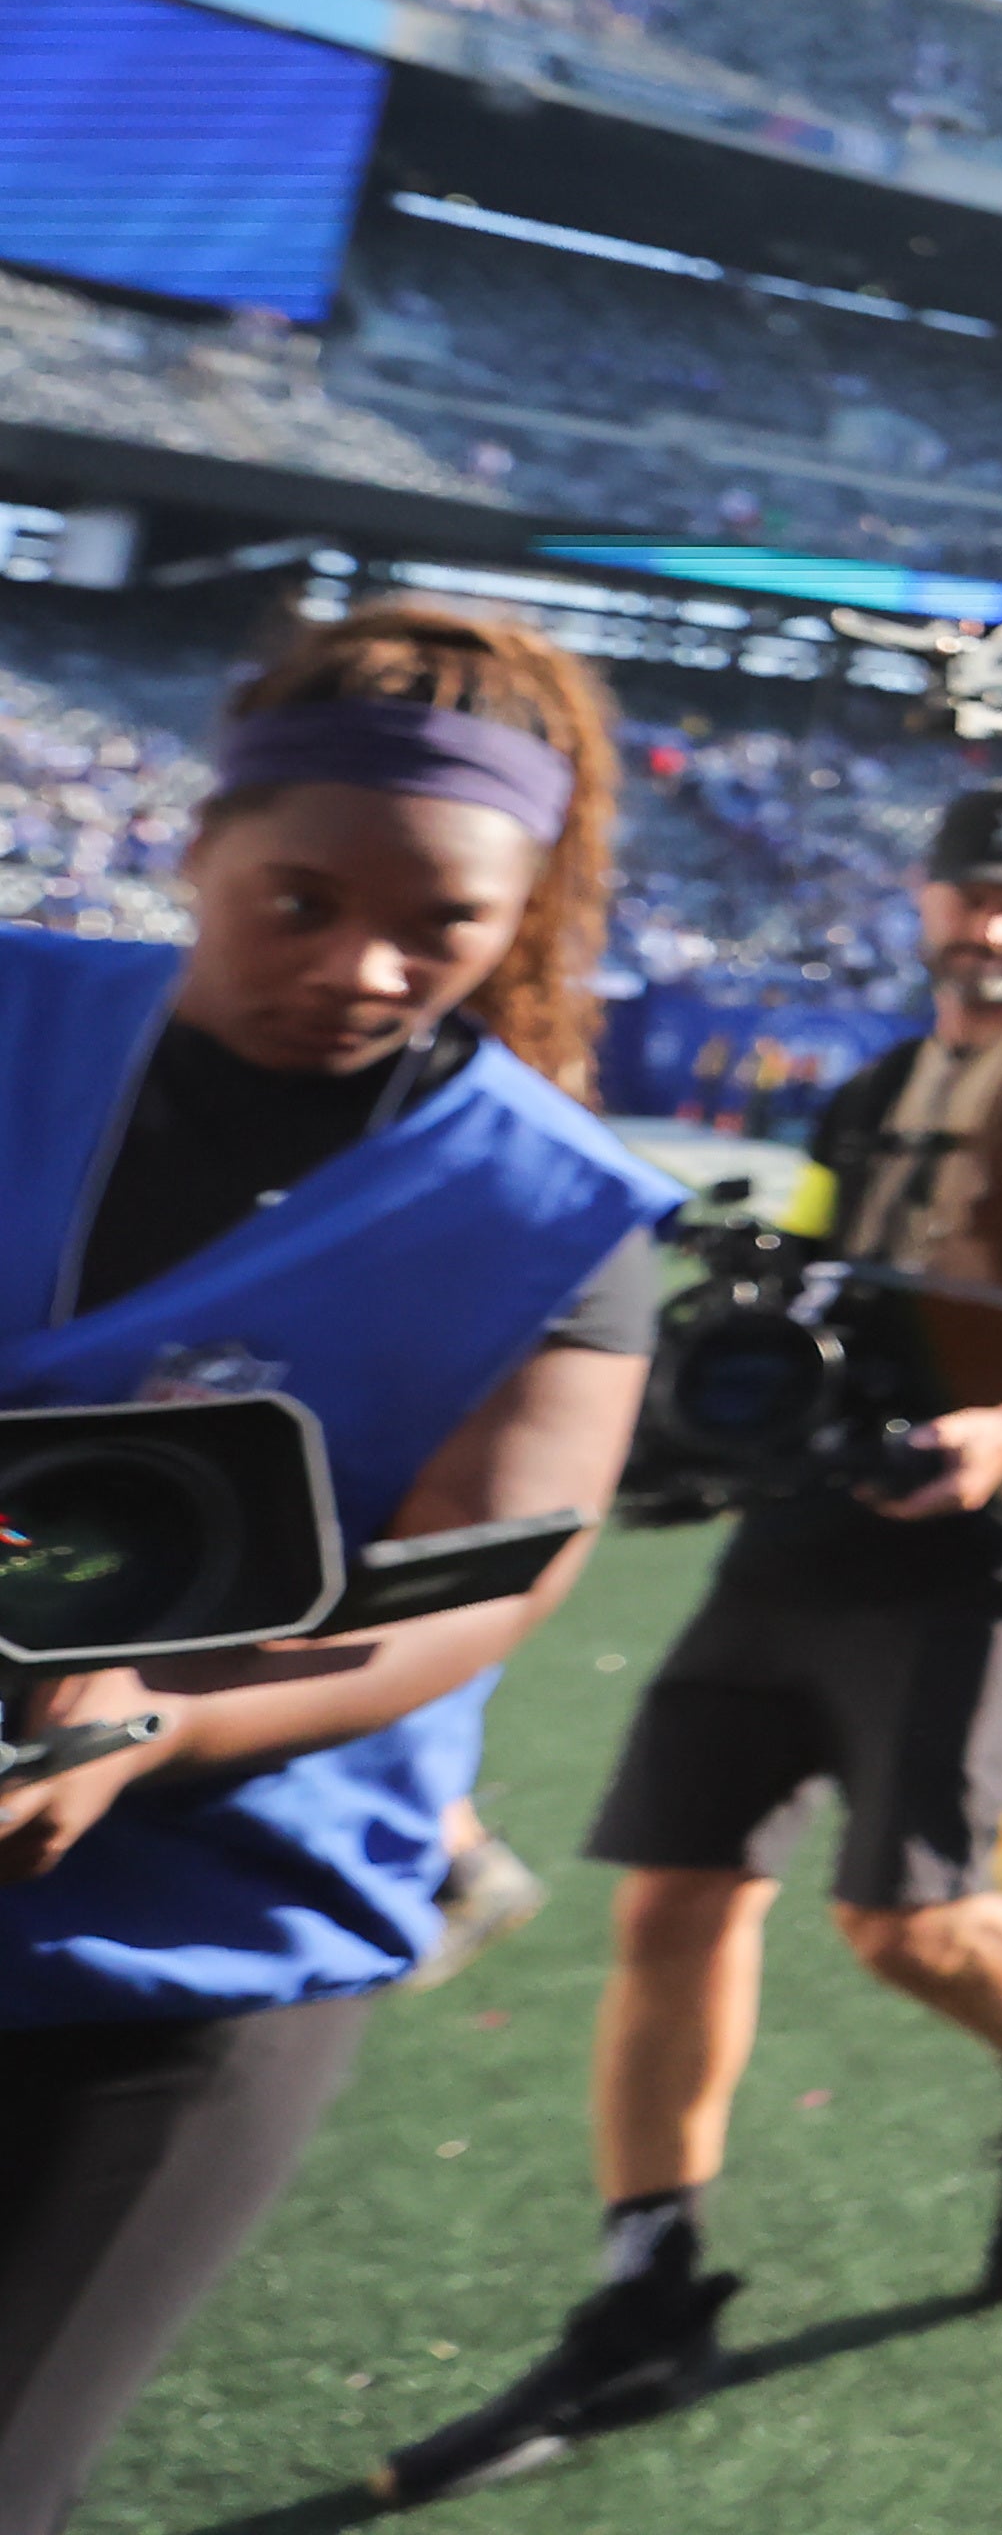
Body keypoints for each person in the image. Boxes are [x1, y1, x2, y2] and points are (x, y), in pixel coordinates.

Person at [380, 779, 1002, 2507]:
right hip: (814, 1510)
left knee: (902, 1920)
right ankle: (643, 2287)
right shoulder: (879, 1081)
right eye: (973, 894)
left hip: (994, 1522)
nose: (996, 927)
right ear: (925, 900)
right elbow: (816, 1267)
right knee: (673, 1888)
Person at [0, 603, 670, 2535]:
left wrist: (150, 1717)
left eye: (440, 928)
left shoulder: (559, 1210)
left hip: (198, 1940)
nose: (358, 969)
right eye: (295, 898)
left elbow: (477, 1580)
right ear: (199, 844)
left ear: (517, 916)